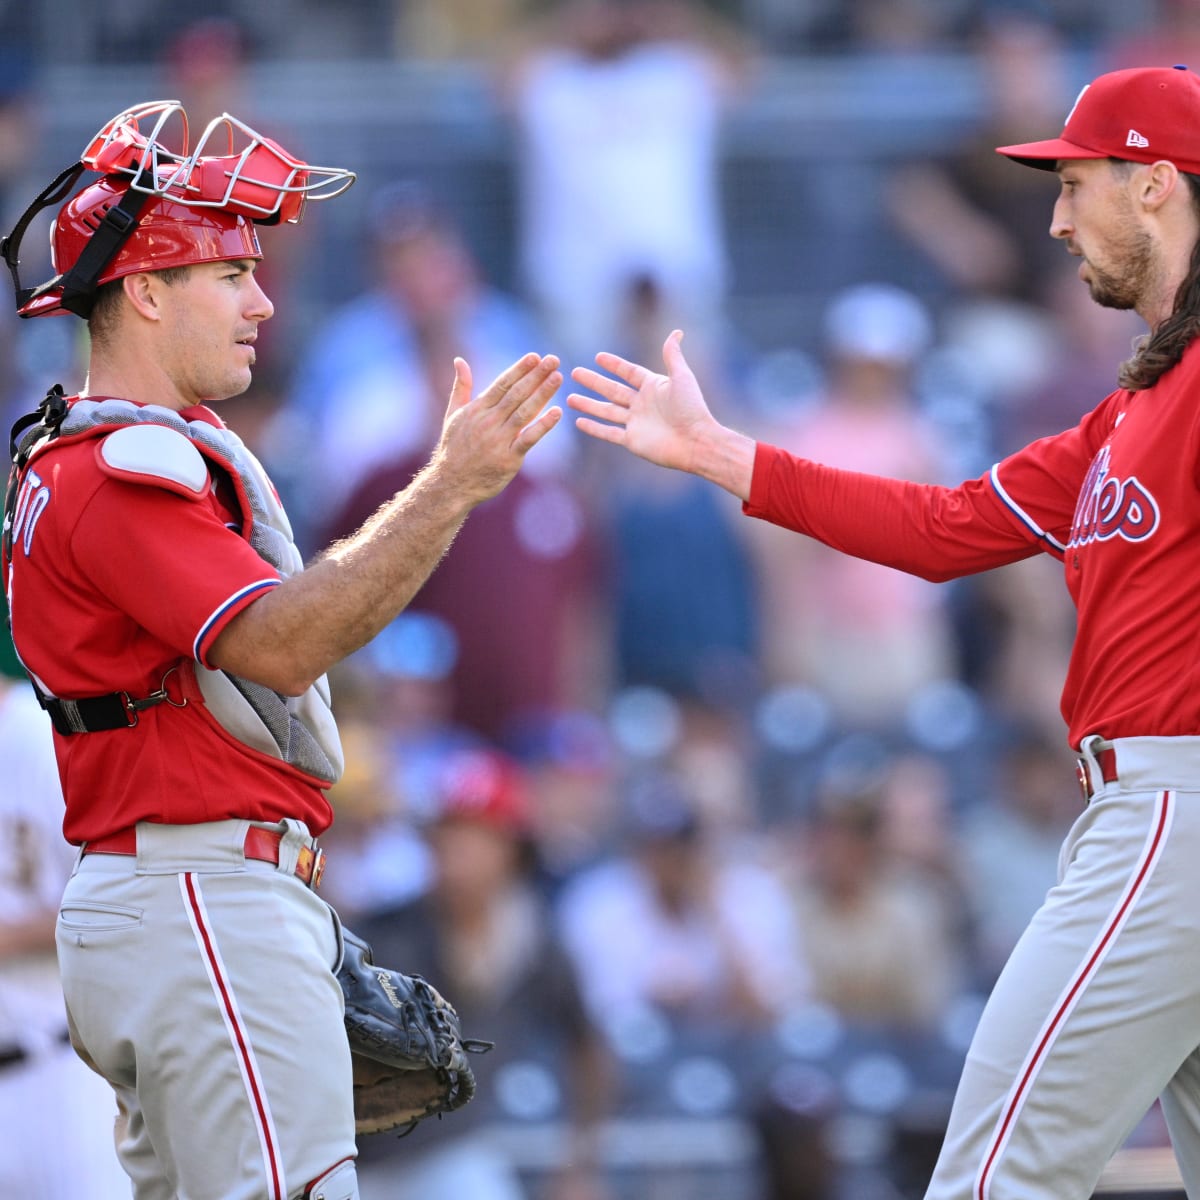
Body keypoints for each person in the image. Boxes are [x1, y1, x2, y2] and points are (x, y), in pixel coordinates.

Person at [566, 63, 1200, 1200]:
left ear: (1154, 184)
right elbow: (943, 526)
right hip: (1152, 809)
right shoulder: (1133, 406)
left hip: (1173, 816)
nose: (1054, 217)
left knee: (995, 1176)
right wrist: (727, 456)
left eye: (1074, 184)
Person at [1, 100, 562, 1200]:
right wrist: (451, 487)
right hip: (199, 895)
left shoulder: (87, 458)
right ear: (147, 292)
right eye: (229, 273)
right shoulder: (123, 467)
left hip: (179, 895)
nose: (262, 300)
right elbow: (276, 640)